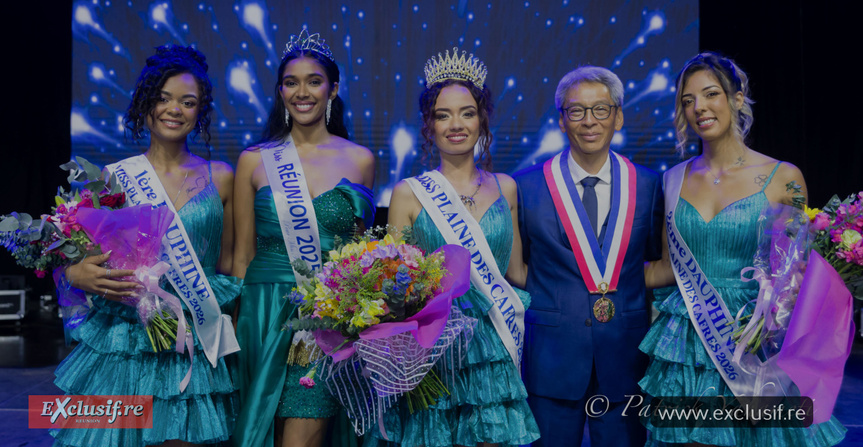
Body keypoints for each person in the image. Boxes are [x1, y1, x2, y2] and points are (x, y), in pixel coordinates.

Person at [638, 52, 847, 446]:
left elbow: (796, 274)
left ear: (737, 98)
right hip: (688, 343)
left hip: (756, 341)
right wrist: (595, 276)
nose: (699, 107)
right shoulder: (671, 180)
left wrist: (772, 324)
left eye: (711, 94)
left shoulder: (783, 177)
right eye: (687, 100)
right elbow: (667, 268)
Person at [55, 44, 240, 447]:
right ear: (145, 104)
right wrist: (76, 273)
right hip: (129, 336)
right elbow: (91, 262)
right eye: (163, 98)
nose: (175, 109)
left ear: (200, 112)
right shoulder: (114, 177)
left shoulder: (222, 176)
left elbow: (227, 264)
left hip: (195, 330)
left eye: (188, 102)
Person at [375, 47, 540, 447]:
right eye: (442, 114)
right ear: (429, 126)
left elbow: (514, 272)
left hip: (494, 344)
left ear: (482, 119)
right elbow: (390, 285)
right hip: (434, 349)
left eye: (467, 112)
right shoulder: (410, 193)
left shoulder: (507, 187)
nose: (456, 124)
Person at [231, 29, 375, 447]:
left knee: (304, 431)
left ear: (333, 88)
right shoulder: (253, 161)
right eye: (291, 82)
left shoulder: (360, 159)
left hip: (325, 317)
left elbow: (362, 255)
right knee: (260, 428)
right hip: (262, 313)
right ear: (280, 92)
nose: (302, 92)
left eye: (314, 80)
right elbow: (242, 256)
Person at [514, 66, 664, 446]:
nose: (589, 121)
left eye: (601, 109)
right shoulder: (527, 186)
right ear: (562, 121)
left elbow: (649, 261)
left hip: (626, 355)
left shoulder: (648, 186)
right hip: (552, 357)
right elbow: (521, 266)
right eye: (576, 111)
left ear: (619, 116)